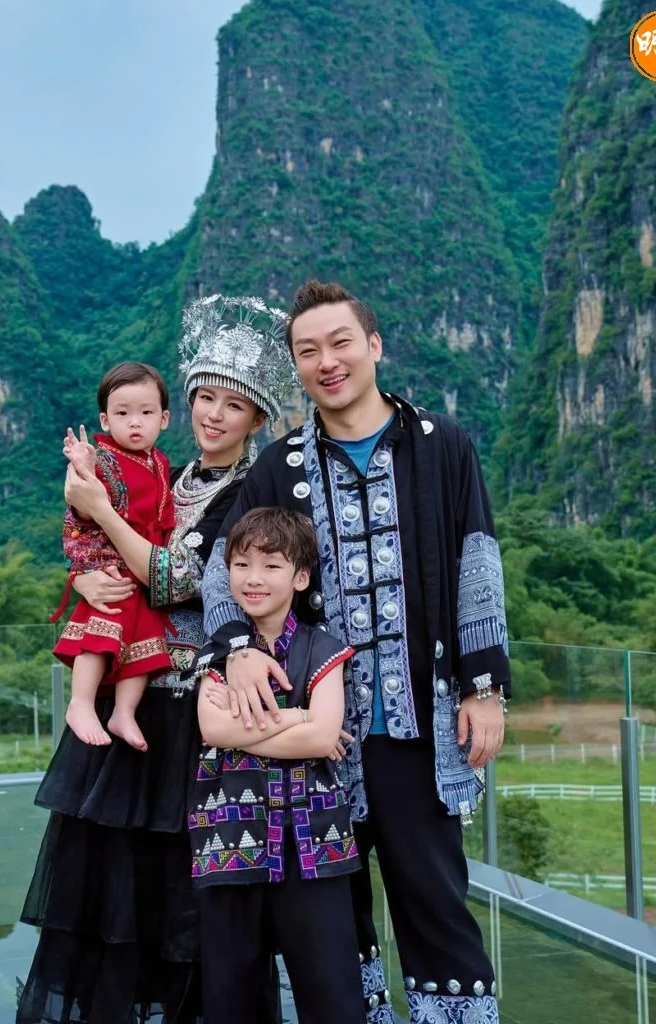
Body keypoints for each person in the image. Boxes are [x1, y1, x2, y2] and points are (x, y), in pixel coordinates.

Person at [201, 281, 510, 1024]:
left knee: (436, 906)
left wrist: (484, 688)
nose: (327, 362)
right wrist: (237, 648)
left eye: (340, 343)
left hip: (417, 729)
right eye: (308, 351)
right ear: (297, 368)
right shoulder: (278, 468)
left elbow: (476, 563)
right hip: (314, 737)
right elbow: (221, 569)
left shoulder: (440, 445)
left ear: (373, 346)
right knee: (336, 925)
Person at [17, 295, 297, 1024]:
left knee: (186, 890)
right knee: (117, 886)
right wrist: (83, 573)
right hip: (136, 695)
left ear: (256, 420)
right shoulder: (166, 474)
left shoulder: (250, 492)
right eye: (205, 397)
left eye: (233, 405)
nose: (214, 415)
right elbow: (107, 551)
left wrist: (101, 511)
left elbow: (176, 579)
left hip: (197, 707)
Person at [192, 507, 364, 1024]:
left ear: (300, 577)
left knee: (331, 991)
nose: (254, 578)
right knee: (230, 993)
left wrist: (270, 728)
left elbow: (324, 737)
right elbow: (213, 730)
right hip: (230, 837)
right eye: (241, 565)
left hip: (313, 839)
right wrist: (301, 717)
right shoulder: (218, 654)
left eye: (271, 566)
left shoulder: (324, 648)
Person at [53, 362, 174, 750]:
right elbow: (83, 509)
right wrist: (84, 468)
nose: (134, 422)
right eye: (122, 414)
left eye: (146, 412)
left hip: (145, 570)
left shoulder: (161, 462)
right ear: (105, 420)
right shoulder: (104, 460)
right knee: (102, 634)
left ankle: (124, 712)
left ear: (164, 418)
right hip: (113, 567)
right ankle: (80, 702)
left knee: (146, 644)